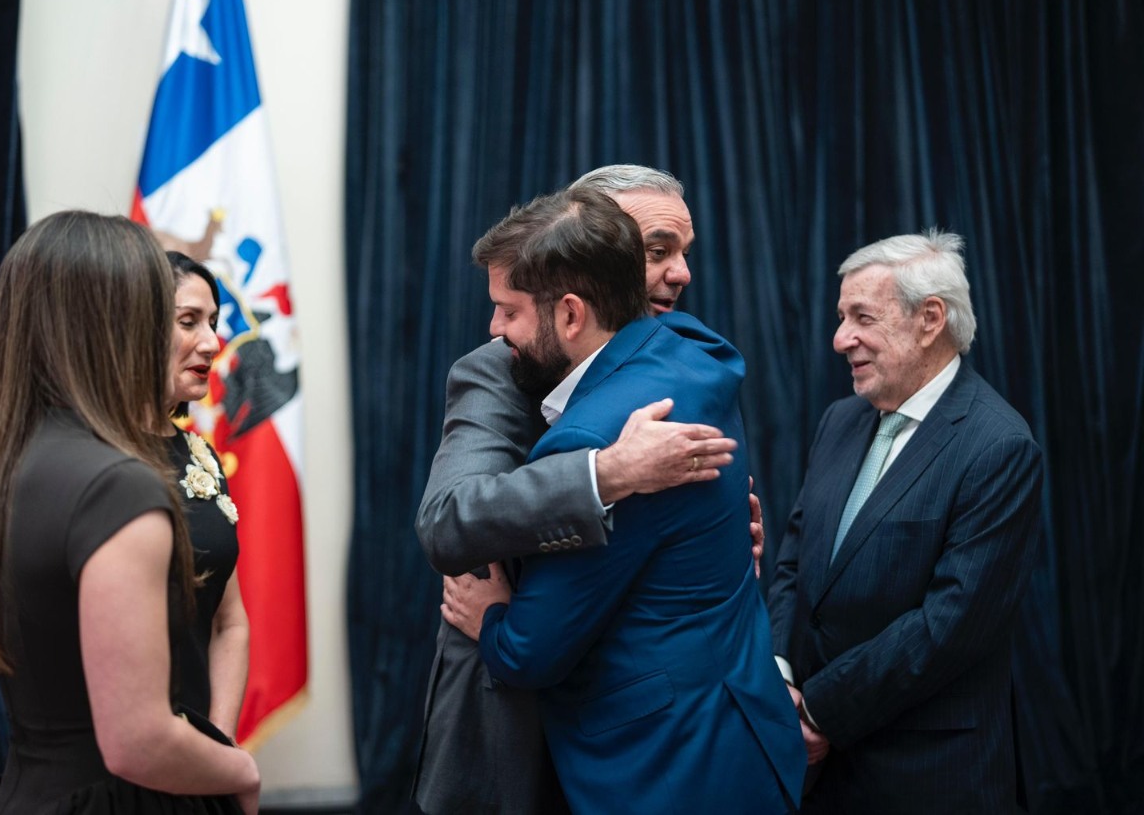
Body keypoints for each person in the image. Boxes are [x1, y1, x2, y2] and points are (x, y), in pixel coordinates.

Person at [439, 188, 805, 813]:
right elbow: (447, 515)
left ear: (574, 312)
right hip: (745, 731)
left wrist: (491, 617)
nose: (495, 330)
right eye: (656, 250)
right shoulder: (697, 351)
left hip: (665, 767)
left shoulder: (592, 436)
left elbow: (532, 651)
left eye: (509, 311)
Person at [0, 211, 260, 814]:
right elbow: (138, 740)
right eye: (160, 309)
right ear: (106, 320)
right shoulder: (118, 487)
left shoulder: (12, 461)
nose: (209, 341)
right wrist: (239, 773)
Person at [766, 230, 1043, 813]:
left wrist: (817, 710)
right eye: (841, 317)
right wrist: (780, 678)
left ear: (930, 319)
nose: (841, 339)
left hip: (927, 775)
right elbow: (795, 561)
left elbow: (949, 625)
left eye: (861, 317)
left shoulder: (998, 446)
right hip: (814, 768)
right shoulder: (840, 420)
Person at [164, 251, 249, 740]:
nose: (213, 342)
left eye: (212, 322)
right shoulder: (97, 464)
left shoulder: (202, 456)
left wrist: (220, 749)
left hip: (201, 752)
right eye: (188, 321)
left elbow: (230, 623)